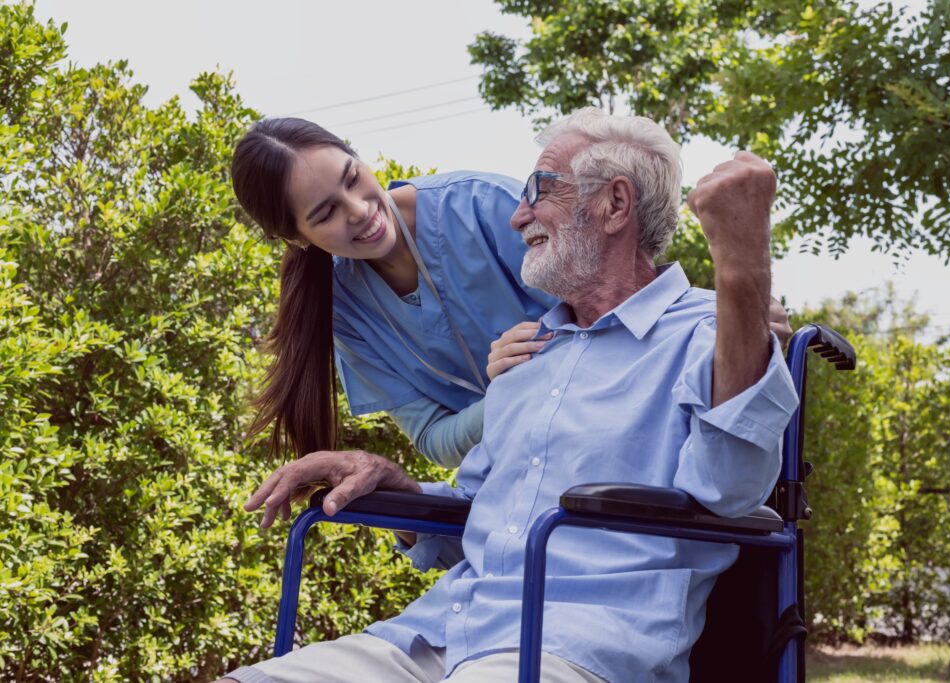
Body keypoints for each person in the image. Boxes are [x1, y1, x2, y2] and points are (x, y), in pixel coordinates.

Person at [218, 108, 800, 683]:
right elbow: (478, 516)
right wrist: (391, 480)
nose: (517, 216)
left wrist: (741, 276)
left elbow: (730, 489)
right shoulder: (524, 360)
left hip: (570, 646)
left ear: (615, 204)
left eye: (538, 192)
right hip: (441, 636)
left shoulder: (706, 332)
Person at [231, 119, 794, 475]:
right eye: (325, 213)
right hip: (518, 474)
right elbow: (435, 438)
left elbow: (620, 283)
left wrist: (734, 311)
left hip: (612, 449)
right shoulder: (343, 310)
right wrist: (509, 393)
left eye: (353, 179)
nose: (359, 211)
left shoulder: (481, 206)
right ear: (294, 237)